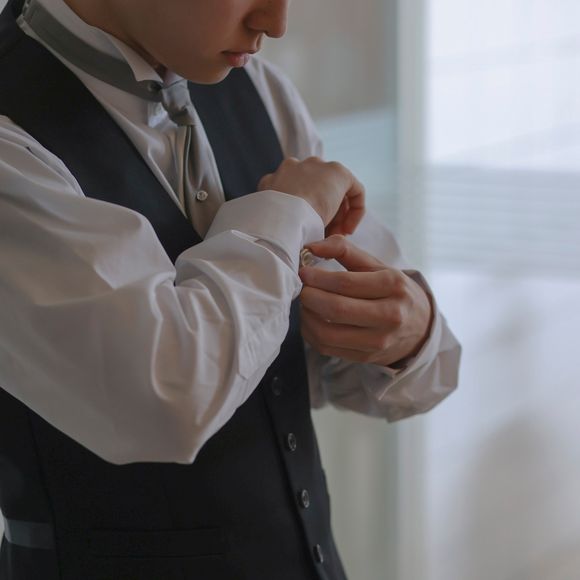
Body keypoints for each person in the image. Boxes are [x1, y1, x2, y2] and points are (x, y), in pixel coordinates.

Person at [0, 0, 461, 578]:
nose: (276, 23)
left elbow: (381, 372)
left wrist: (409, 333)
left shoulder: (260, 88)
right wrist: (285, 212)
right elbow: (168, 398)